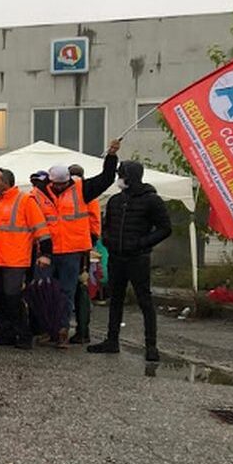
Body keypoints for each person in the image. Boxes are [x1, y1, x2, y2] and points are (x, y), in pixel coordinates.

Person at [39, 140, 119, 347]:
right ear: (50, 181)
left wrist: (111, 156)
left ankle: (62, 330)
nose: (60, 187)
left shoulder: (82, 189)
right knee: (46, 291)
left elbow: (106, 178)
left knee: (67, 292)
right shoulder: (40, 194)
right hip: (48, 251)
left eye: (63, 184)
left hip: (72, 251)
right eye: (56, 184)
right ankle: (50, 328)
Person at [89, 160, 171, 361]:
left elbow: (165, 228)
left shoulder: (151, 200)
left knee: (145, 301)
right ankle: (112, 340)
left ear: (130, 176)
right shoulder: (115, 200)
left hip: (138, 258)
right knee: (115, 299)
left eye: (121, 175)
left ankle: (151, 345)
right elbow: (107, 225)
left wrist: (142, 243)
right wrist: (107, 240)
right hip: (116, 256)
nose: (119, 179)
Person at [0, 168, 51, 350]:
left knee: (12, 298)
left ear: (5, 182)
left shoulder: (25, 201)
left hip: (14, 259)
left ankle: (23, 334)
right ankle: (6, 332)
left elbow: (41, 229)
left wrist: (45, 253)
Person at [67, 162, 103, 344]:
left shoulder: (78, 194)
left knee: (79, 288)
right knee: (81, 286)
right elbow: (95, 223)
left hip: (76, 246)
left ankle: (82, 331)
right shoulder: (89, 195)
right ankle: (82, 330)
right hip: (83, 246)